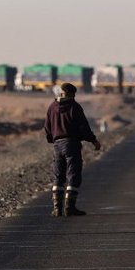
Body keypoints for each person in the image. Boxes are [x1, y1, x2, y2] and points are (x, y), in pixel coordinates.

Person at [44, 83, 101, 217]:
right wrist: (93, 140)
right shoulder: (75, 107)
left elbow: (47, 127)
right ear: (72, 94)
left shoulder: (52, 107)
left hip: (57, 145)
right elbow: (84, 128)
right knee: (73, 174)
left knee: (58, 175)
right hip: (71, 144)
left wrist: (53, 139)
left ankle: (57, 209)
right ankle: (70, 208)